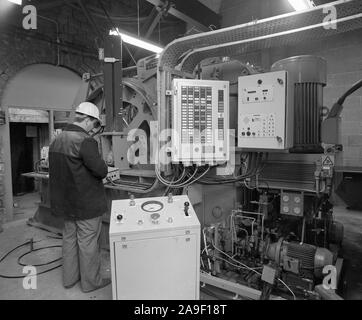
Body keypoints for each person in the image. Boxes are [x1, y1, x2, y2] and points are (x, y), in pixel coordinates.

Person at [49, 102, 111, 292]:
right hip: (86, 204)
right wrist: (105, 163)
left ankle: (69, 279)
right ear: (87, 120)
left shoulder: (57, 139)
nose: (94, 129)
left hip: (66, 204)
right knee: (88, 242)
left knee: (69, 239)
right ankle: (91, 283)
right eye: (94, 124)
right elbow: (100, 171)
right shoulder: (84, 141)